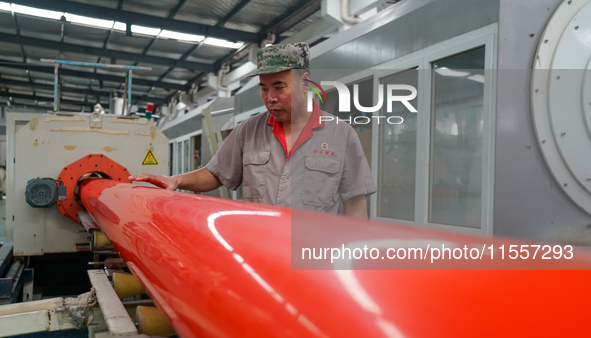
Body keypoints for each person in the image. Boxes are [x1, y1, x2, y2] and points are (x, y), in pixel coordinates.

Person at [129, 42, 376, 218]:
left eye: (279, 87)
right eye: (264, 88)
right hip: (258, 253)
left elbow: (355, 204)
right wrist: (176, 180)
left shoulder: (340, 134)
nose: (270, 98)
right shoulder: (248, 131)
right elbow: (217, 174)